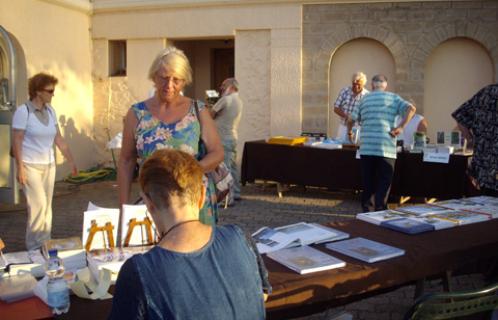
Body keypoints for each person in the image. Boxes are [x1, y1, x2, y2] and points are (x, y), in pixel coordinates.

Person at [109, 149, 270, 320]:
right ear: (202, 196)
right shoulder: (240, 237)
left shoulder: (139, 271)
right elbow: (262, 295)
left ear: (148, 204)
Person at [118, 47, 224, 225]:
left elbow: (217, 152)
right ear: (154, 77)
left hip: (193, 203)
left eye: (177, 80)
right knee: (156, 252)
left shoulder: (198, 111)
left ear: (185, 81)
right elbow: (126, 161)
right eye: (164, 78)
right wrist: (123, 209)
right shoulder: (137, 114)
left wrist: (191, 171)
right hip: (153, 204)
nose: (169, 85)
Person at [11, 73, 77, 251]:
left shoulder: (51, 111)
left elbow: (59, 138)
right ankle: (33, 247)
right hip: (29, 165)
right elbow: (17, 140)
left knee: (47, 207)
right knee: (38, 206)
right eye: (50, 90)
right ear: (38, 91)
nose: (53, 94)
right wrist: (20, 168)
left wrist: (71, 160)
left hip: (48, 165)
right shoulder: (23, 112)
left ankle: (45, 243)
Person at [348, 74, 415, 212]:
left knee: (368, 182)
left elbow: (351, 119)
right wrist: (401, 127)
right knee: (384, 182)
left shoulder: (364, 99)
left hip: (367, 147)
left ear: (372, 86)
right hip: (386, 146)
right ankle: (380, 210)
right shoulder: (394, 98)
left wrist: (349, 132)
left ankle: (367, 212)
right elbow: (412, 109)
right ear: (385, 86)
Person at [452, 83, 498, 196]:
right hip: (487, 165)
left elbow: (460, 115)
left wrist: (471, 141)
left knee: (487, 206)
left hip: (484, 166)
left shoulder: (487, 91)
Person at [209, 78, 243, 205]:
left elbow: (211, 114)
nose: (221, 87)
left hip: (223, 138)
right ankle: (237, 192)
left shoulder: (226, 99)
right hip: (232, 137)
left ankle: (228, 198)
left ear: (231, 87)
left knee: (225, 168)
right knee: (233, 167)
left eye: (224, 85)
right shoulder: (239, 100)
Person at [333, 71, 369, 141]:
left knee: (357, 149)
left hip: (359, 128)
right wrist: (347, 116)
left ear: (363, 84)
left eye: (359, 84)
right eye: (354, 84)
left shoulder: (367, 95)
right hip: (344, 126)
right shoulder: (345, 91)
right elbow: (336, 108)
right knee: (341, 148)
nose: (356, 86)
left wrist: (355, 118)